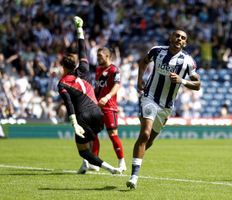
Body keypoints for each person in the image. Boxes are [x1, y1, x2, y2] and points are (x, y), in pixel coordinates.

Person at [126, 30, 201, 189]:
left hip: (167, 106)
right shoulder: (157, 51)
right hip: (150, 97)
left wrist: (182, 80)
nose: (179, 39)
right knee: (145, 133)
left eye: (183, 38)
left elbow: (198, 85)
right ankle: (134, 176)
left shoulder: (187, 61)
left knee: (150, 140)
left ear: (185, 43)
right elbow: (143, 62)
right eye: (177, 36)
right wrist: (140, 80)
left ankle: (136, 156)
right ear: (171, 37)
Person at [57, 16, 121, 175]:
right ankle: (85, 165)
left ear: (64, 67)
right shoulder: (84, 68)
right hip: (98, 115)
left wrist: (74, 123)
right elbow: (82, 50)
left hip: (83, 117)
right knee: (90, 138)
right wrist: (80, 31)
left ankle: (109, 168)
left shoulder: (62, 83)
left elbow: (69, 104)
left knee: (83, 150)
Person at [79, 47, 126, 173]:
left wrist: (107, 96)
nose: (98, 58)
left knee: (112, 134)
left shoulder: (114, 70)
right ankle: (95, 163)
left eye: (100, 56)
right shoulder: (99, 69)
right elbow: (98, 88)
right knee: (92, 134)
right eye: (97, 55)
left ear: (107, 56)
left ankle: (122, 162)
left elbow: (117, 85)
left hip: (110, 107)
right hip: (97, 108)